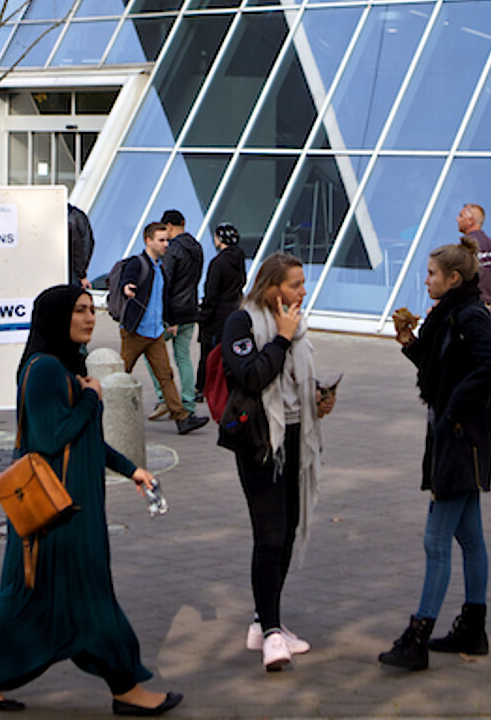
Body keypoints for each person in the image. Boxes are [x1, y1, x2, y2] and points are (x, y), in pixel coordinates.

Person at [0, 285, 183, 716]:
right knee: (86, 597)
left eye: (91, 311)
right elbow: (51, 437)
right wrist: (90, 397)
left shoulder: (63, 367)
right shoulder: (44, 370)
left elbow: (86, 441)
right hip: (60, 516)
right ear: (56, 317)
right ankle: (126, 688)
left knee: (30, 597)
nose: (89, 318)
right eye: (79, 311)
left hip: (65, 511)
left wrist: (131, 469)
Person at [379, 241, 491, 672]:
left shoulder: (469, 315)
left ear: (453, 278)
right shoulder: (451, 314)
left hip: (459, 436)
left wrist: (454, 405)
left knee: (436, 541)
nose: (426, 279)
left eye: (432, 273)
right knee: (470, 537)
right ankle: (474, 626)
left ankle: (418, 637)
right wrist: (410, 344)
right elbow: (441, 369)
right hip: (456, 434)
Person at [219, 253, 335, 671]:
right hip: (260, 442)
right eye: (296, 284)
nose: (303, 292)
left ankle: (264, 621)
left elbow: (292, 381)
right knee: (269, 536)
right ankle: (270, 634)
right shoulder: (242, 324)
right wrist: (282, 339)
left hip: (296, 437)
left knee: (285, 534)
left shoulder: (296, 325)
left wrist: (317, 398)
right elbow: (251, 376)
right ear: (273, 289)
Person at [115, 223, 207, 436]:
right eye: (161, 240)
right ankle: (102, 411)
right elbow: (126, 279)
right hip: (135, 332)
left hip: (155, 332)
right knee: (120, 375)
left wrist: (171, 321)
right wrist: (127, 287)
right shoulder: (137, 263)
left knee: (166, 376)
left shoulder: (160, 267)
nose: (166, 244)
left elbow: (164, 298)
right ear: (148, 241)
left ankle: (182, 418)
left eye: (167, 239)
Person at [157, 210, 205, 417]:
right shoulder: (197, 247)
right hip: (191, 309)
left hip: (173, 312)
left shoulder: (172, 249)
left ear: (169, 226)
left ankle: (164, 397)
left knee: (153, 351)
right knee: (183, 357)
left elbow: (166, 282)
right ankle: (187, 402)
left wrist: (168, 316)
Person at [455, 203, 491, 333]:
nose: (457, 219)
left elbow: (456, 280)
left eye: (461, 216)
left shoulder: (466, 248)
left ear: (471, 221)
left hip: (469, 307)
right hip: (488, 308)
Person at [197, 223, 246, 354]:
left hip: (215, 321)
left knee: (209, 360)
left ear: (219, 239)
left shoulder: (218, 263)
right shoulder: (239, 260)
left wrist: (203, 316)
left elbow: (211, 293)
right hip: (233, 312)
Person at [68, 202, 95, 290]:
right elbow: (86, 244)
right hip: (74, 270)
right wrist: (82, 274)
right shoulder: (76, 215)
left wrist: (81, 274)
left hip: (71, 270)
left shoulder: (72, 217)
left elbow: (79, 246)